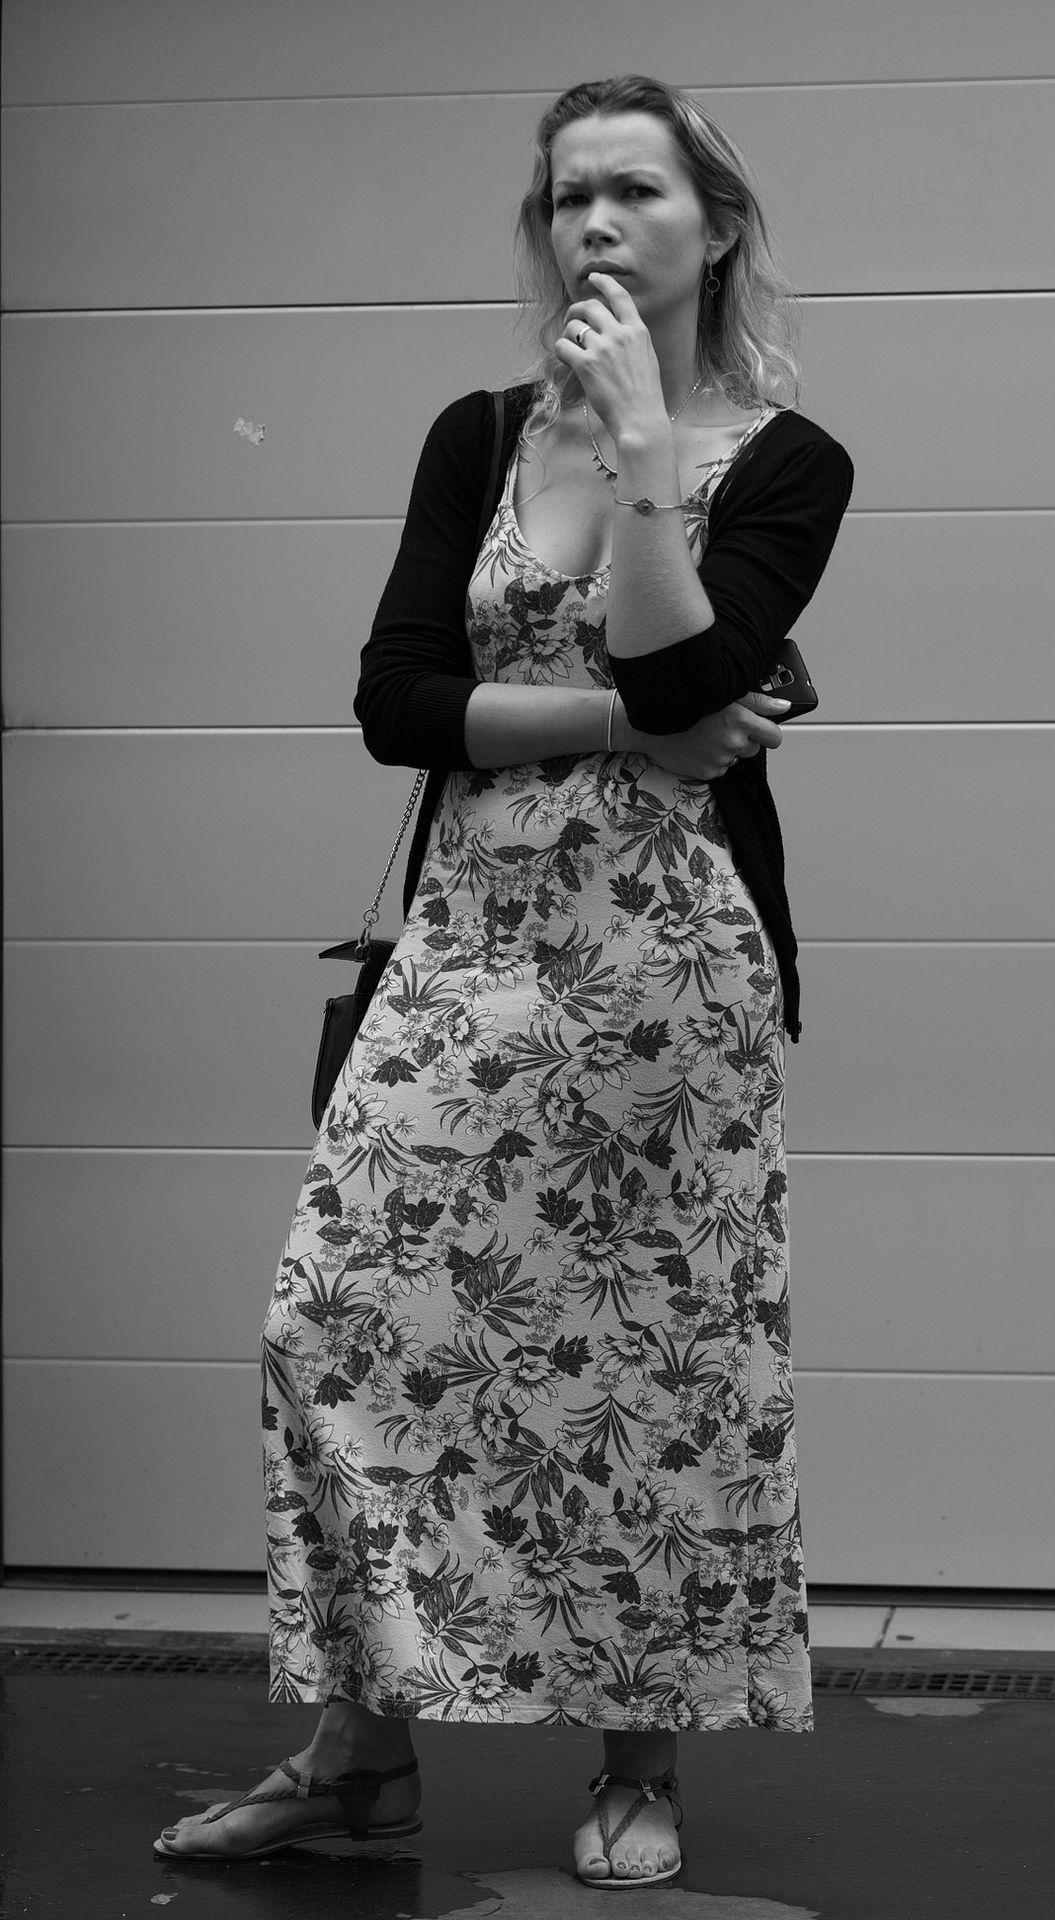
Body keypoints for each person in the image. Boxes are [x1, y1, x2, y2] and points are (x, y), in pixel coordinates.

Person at [155, 74, 853, 1889]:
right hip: (472, 950)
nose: (596, 226)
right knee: (336, 1316)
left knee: (661, 1358)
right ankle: (358, 1753)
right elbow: (405, 704)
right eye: (566, 199)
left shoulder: (789, 460)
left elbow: (694, 642)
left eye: (636, 192)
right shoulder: (473, 436)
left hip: (674, 972)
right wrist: (636, 723)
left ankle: (641, 1767)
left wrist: (641, 458)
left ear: (718, 226)